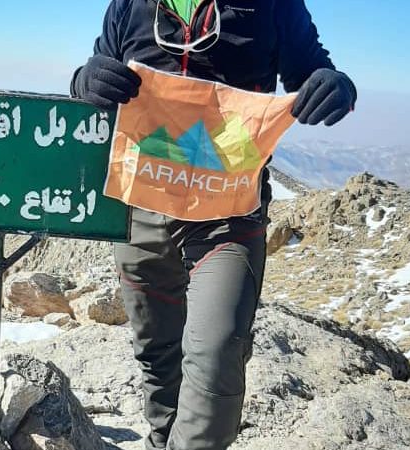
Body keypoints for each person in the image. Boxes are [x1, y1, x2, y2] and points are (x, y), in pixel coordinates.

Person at [70, 1, 356, 449]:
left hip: (228, 215)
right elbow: (101, 71)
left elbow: (310, 71)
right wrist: (82, 80)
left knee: (217, 354)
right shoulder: (130, 4)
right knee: (157, 354)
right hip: (141, 207)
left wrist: (337, 86)